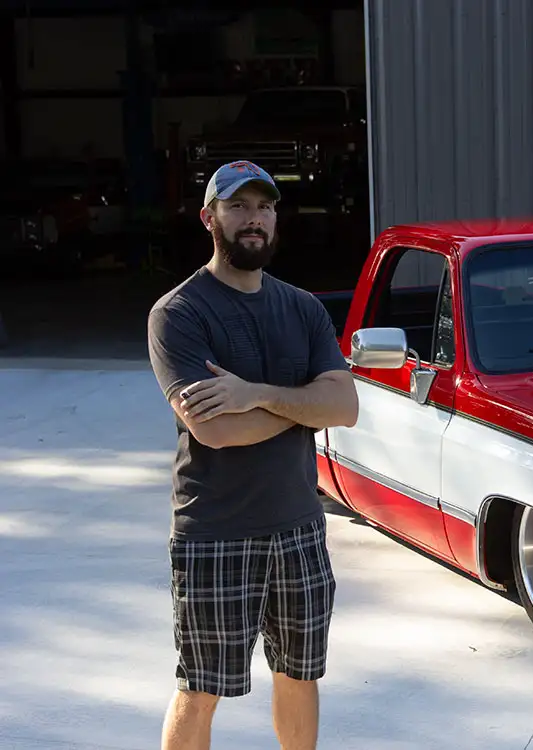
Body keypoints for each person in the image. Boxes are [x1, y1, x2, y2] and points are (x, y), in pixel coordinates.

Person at [146, 160, 359, 750]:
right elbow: (215, 432)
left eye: (264, 207)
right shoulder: (178, 313)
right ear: (208, 217)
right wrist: (301, 406)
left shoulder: (302, 308)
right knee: (202, 685)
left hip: (298, 526)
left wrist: (254, 394)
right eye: (238, 206)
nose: (254, 220)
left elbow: (344, 407)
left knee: (300, 673)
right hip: (216, 530)